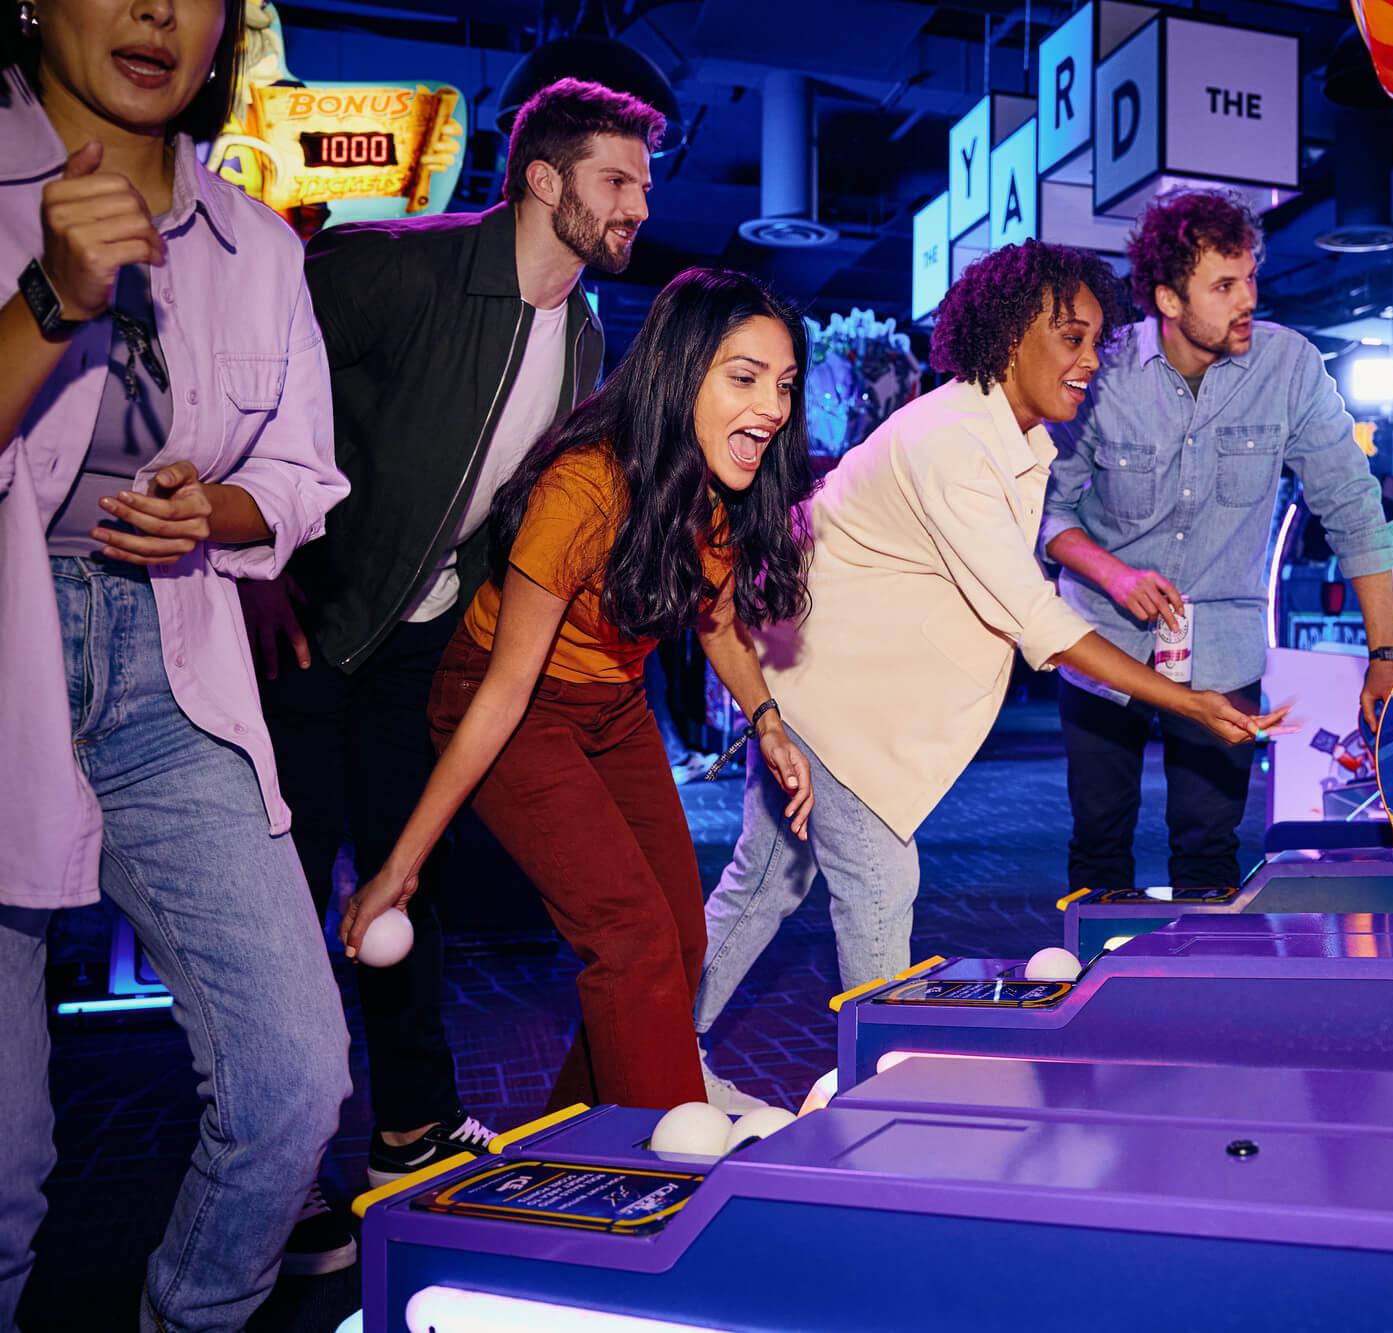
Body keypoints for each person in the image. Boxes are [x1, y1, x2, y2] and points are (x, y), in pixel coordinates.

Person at [694, 241, 1288, 1111]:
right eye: (1072, 338)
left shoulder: (1011, 437)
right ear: (1011, 336)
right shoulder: (950, 440)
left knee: (769, 880)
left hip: (829, 689)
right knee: (877, 883)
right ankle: (882, 1100)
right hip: (828, 701)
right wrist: (1188, 701)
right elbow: (1033, 617)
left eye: (1097, 341)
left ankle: (661, 1041)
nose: (1090, 360)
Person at [237, 78, 665, 1203]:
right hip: (307, 632)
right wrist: (257, 569)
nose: (637, 205)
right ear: (542, 179)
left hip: (423, 639)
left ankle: (410, 1130)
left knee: (400, 885)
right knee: (271, 916)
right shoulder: (398, 266)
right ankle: (272, 1185)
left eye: (644, 184)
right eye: (616, 180)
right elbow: (249, 388)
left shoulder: (580, 331)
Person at [0, 0, 353, 1319]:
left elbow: (300, 471)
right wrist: (51, 297)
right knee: (5, 1171)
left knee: (293, 1077)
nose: (154, 9)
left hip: (170, 662)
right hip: (7, 655)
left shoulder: (256, 241)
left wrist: (219, 508)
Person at [339, 268, 817, 1114]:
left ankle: (582, 1136)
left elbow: (714, 623)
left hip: (610, 705)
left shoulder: (713, 490)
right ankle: (668, 1174)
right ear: (680, 373)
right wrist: (397, 868)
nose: (773, 407)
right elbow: (501, 693)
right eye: (744, 378)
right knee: (630, 937)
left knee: (680, 932)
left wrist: (768, 720)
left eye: (782, 384)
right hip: (507, 702)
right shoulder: (585, 488)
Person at [1041, 189, 1393, 893]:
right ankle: (1096, 999)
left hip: (1221, 647)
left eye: (1250, 279)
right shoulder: (1102, 370)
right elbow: (1045, 513)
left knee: (1209, 853)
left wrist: (1383, 654)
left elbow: (1354, 509)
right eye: (1224, 285)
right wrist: (1112, 573)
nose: (1247, 301)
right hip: (1102, 641)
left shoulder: (1288, 367)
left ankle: (1195, 1001)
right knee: (1098, 847)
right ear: (1168, 299)